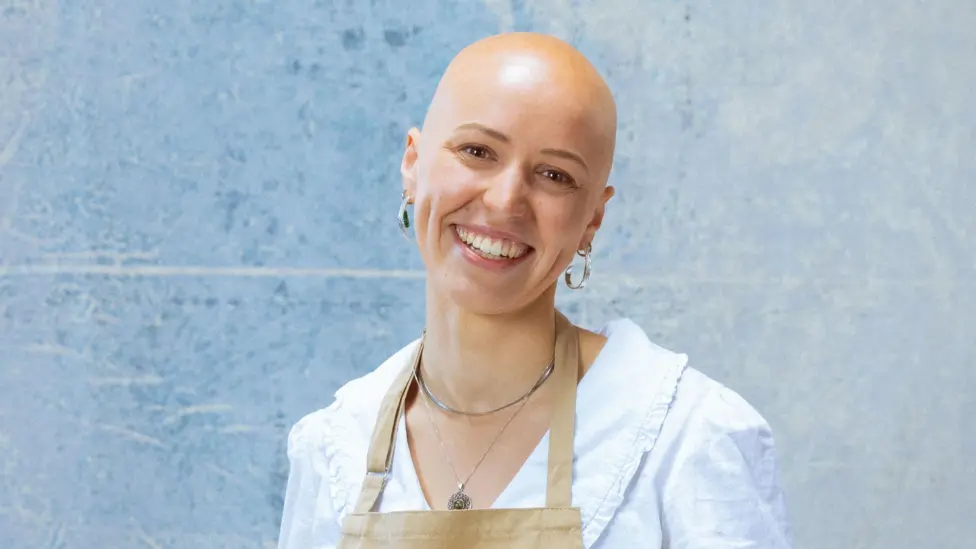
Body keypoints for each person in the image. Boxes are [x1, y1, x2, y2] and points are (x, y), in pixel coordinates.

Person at [277, 32, 792, 549]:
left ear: (593, 218)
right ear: (412, 165)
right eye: (477, 151)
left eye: (554, 175)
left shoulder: (686, 440)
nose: (505, 202)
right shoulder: (334, 446)